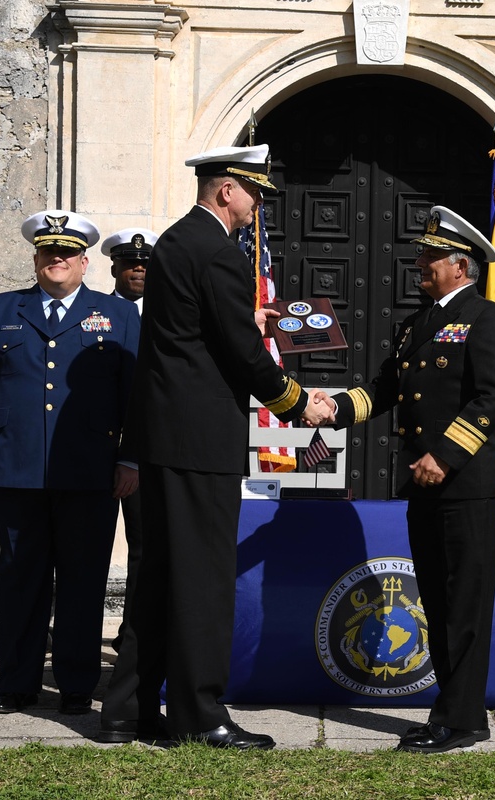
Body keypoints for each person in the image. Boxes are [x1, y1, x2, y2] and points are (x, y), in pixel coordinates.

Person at [99, 144, 332, 749]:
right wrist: (296, 402)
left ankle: (127, 709)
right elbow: (237, 350)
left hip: (168, 434)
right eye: (254, 193)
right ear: (226, 188)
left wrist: (240, 328)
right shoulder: (217, 252)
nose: (258, 207)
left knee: (160, 576)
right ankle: (202, 714)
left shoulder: (178, 242)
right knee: (201, 578)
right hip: (200, 438)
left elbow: (196, 334)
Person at [326, 205, 495, 753]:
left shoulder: (489, 319)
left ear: (462, 265)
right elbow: (384, 390)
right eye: (422, 255)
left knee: (465, 602)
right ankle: (450, 713)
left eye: (431, 256)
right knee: (436, 598)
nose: (419, 264)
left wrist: (445, 456)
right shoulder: (417, 322)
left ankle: (463, 719)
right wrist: (326, 409)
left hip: (465, 482)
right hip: (425, 484)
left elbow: (490, 400)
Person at [0, 210, 140, 715]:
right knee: (21, 579)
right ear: (36, 258)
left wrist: (130, 458)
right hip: (17, 467)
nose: (56, 259)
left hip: (91, 471)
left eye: (66, 253)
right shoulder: (0, 310)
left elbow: (136, 396)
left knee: (83, 581)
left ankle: (77, 685)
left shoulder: (119, 315)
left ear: (84, 262)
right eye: (47, 252)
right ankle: (16, 684)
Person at [100, 227, 158, 652]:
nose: (138, 269)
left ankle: (133, 635)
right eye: (130, 262)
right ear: (114, 266)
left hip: (148, 447)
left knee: (144, 547)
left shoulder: (168, 315)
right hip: (98, 447)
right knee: (89, 544)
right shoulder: (96, 313)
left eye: (145, 264)